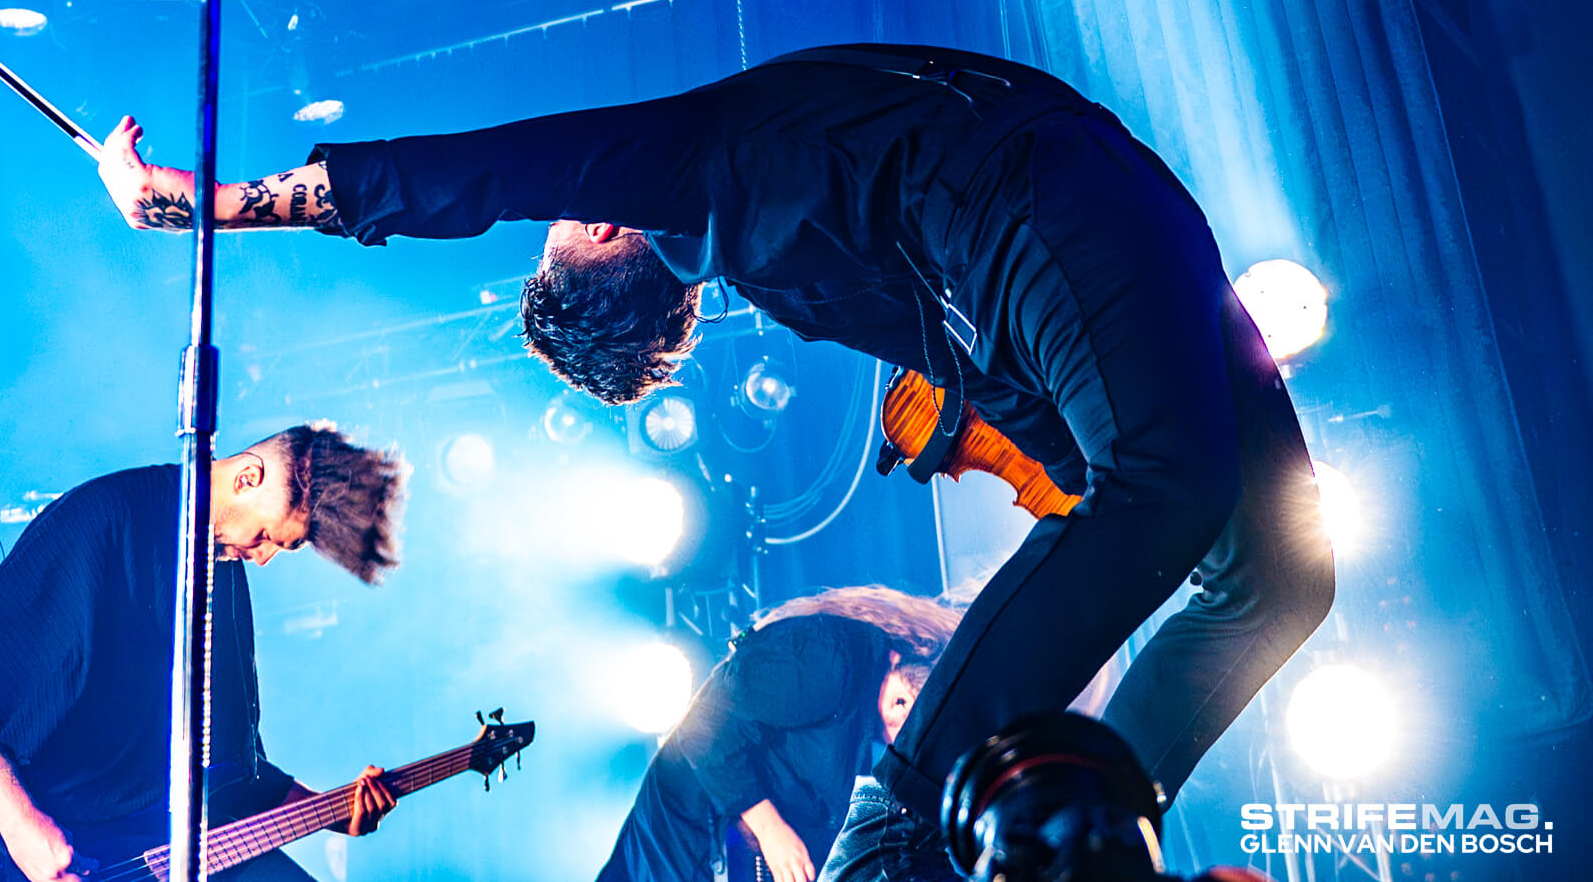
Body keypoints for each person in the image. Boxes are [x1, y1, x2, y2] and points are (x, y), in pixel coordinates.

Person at [96, 43, 1336, 879]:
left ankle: (911, 825)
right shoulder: (744, 231)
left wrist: (199, 206)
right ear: (600, 237)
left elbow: (462, 176)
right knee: (1278, 575)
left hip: (1053, 188)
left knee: (1166, 489)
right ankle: (1062, 834)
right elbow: (480, 173)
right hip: (1080, 214)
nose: (553, 216)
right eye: (556, 241)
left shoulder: (724, 172)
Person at [0, 424, 408, 882]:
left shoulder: (224, 569)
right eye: (272, 536)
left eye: (282, 547)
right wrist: (24, 830)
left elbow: (231, 768)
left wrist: (331, 811)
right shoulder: (106, 517)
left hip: (140, 844)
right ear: (248, 477)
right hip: (3, 843)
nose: (265, 556)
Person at [597, 587, 960, 882]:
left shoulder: (855, 714)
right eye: (907, 735)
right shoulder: (834, 659)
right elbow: (703, 725)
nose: (899, 745)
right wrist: (770, 829)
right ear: (903, 701)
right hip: (676, 843)